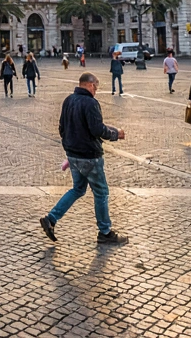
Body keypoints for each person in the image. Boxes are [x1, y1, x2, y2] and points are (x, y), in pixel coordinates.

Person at [38, 72, 127, 245]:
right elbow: (97, 130)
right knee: (101, 193)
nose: (96, 91)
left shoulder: (68, 100)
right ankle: (105, 232)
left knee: (78, 189)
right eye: (96, 88)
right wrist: (116, 134)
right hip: (89, 156)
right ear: (91, 85)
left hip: (73, 155)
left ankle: (51, 219)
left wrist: (69, 147)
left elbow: (62, 128)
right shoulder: (90, 103)